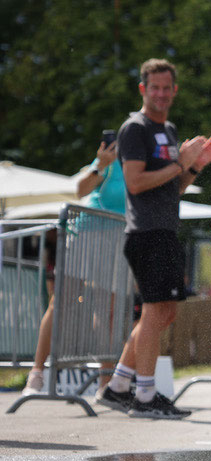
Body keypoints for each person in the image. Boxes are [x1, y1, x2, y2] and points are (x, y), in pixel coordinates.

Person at [96, 59, 211, 419]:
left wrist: (195, 167)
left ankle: (119, 387)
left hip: (164, 230)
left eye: (167, 88)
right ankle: (146, 397)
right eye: (155, 88)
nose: (162, 94)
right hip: (146, 233)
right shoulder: (134, 129)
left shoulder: (167, 129)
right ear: (143, 89)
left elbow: (172, 188)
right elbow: (135, 183)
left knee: (163, 313)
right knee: (154, 313)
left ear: (174, 90)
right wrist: (181, 162)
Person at [23, 137, 127, 396]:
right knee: (60, 303)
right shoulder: (112, 162)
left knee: (106, 311)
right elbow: (80, 190)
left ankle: (106, 384)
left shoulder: (145, 166)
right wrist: (100, 165)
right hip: (85, 236)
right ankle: (36, 372)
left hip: (114, 242)